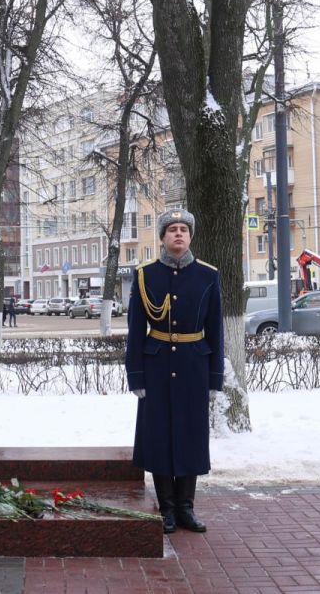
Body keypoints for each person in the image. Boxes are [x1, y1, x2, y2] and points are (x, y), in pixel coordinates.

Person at [125, 209, 223, 534]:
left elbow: (216, 331)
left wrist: (214, 377)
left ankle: (186, 508)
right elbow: (136, 330)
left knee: (191, 436)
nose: (178, 234)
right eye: (172, 230)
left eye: (183, 229)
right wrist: (136, 376)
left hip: (194, 366)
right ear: (163, 238)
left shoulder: (209, 276)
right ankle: (166, 508)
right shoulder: (145, 275)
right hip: (156, 368)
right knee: (160, 437)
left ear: (190, 236)